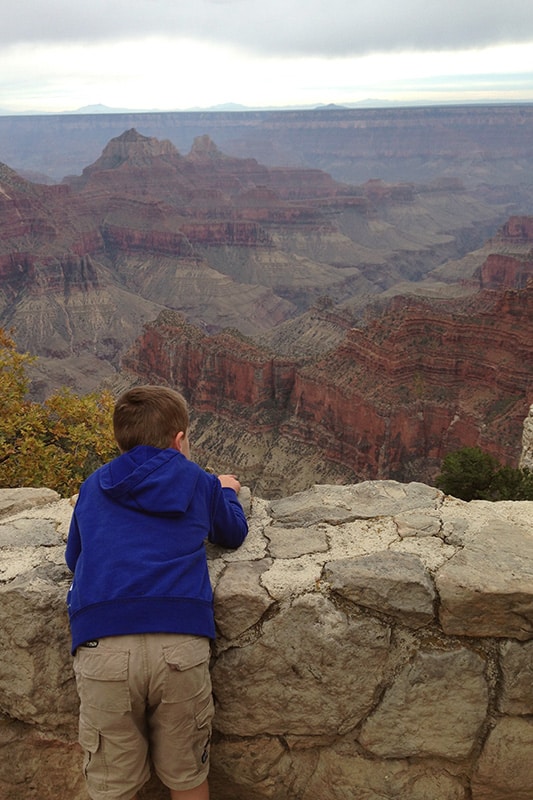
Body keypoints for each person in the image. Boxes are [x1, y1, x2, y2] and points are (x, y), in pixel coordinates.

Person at [65, 385, 248, 800]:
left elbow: (74, 558)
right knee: (187, 775)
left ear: (119, 439)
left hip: (101, 645)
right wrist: (225, 490)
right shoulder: (199, 482)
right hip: (179, 644)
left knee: (112, 785)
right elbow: (233, 534)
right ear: (180, 440)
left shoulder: (93, 486)